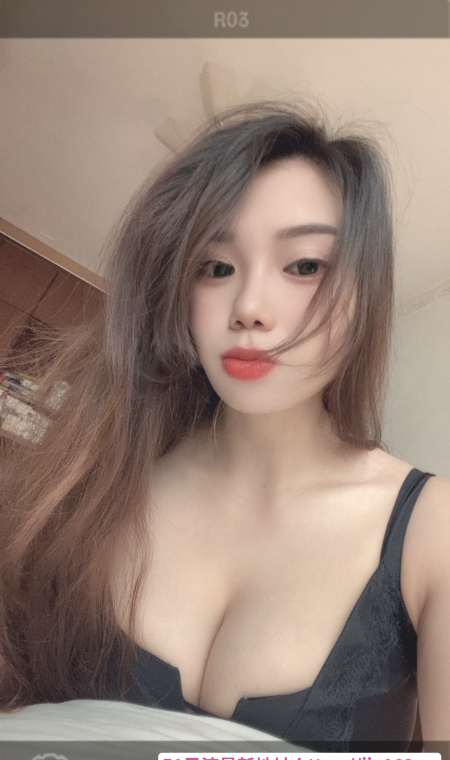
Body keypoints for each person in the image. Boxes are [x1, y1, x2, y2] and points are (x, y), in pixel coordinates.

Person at [0, 102, 449, 750]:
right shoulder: (97, 479)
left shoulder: (432, 531)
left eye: (303, 265)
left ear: (366, 294)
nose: (250, 308)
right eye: (215, 267)